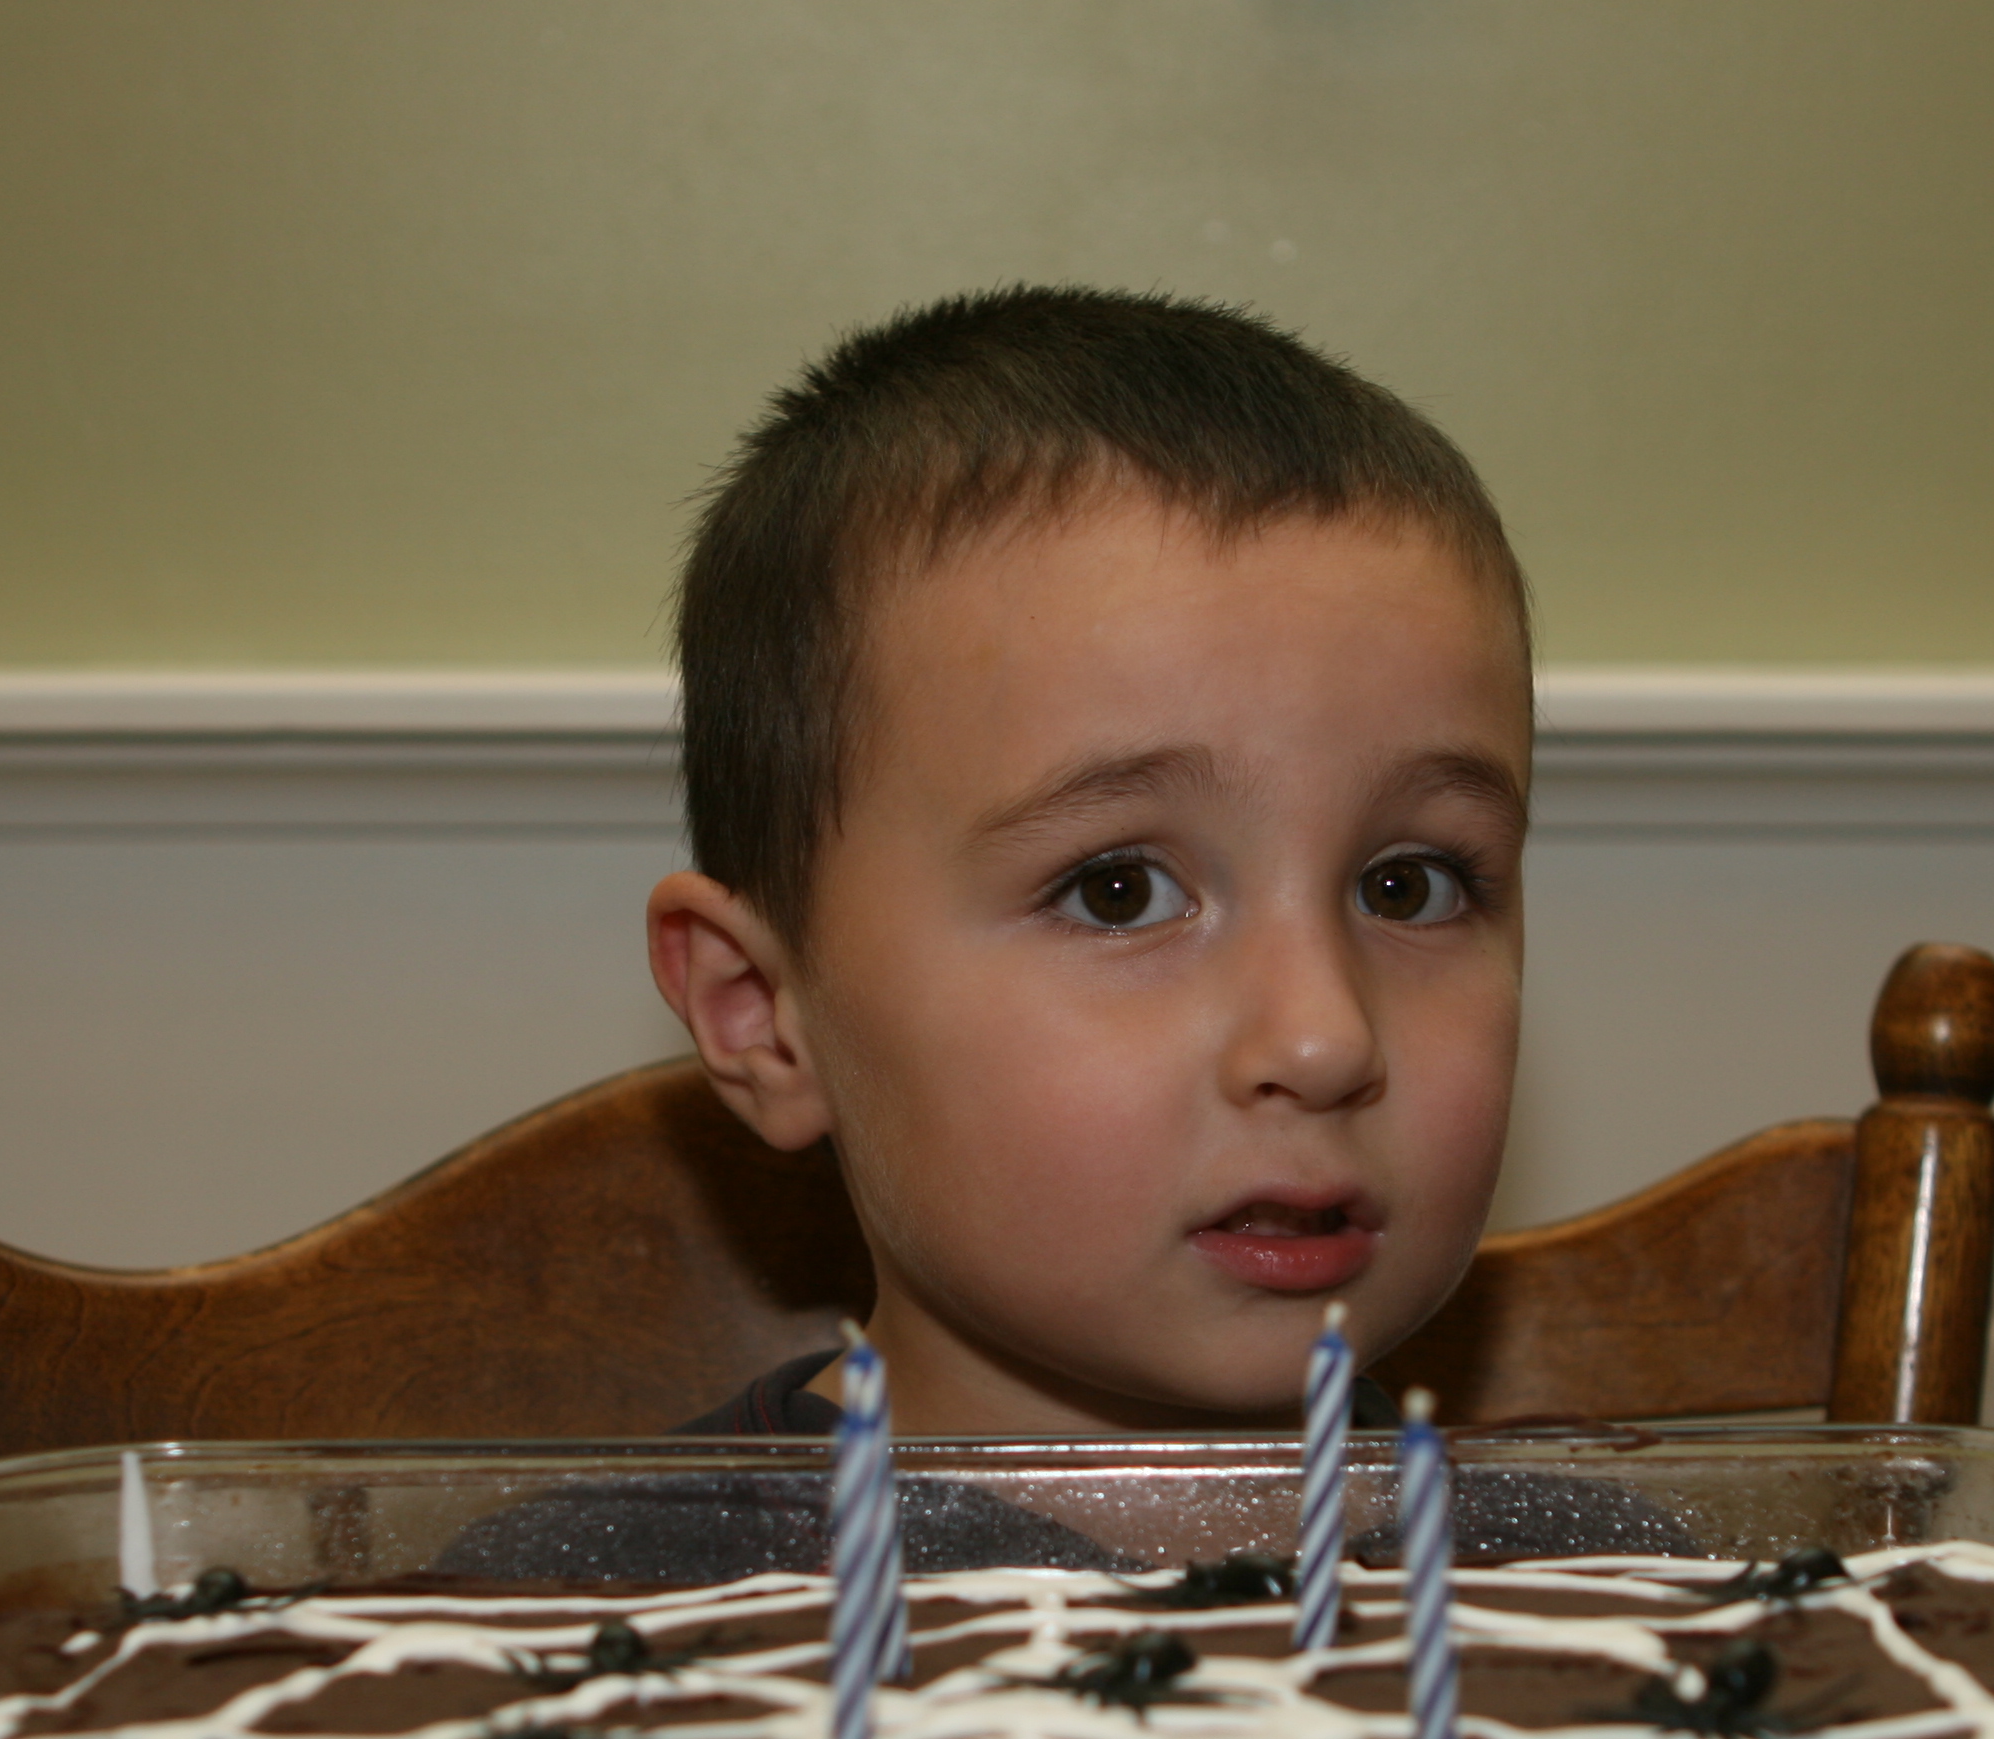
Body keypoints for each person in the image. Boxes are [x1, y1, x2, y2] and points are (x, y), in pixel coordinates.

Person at [648, 286, 1530, 1437]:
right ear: (764, 1017)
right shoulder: (595, 1562)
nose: (1325, 1040)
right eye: (1120, 893)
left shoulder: (1649, 1556)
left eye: (1407, 886)